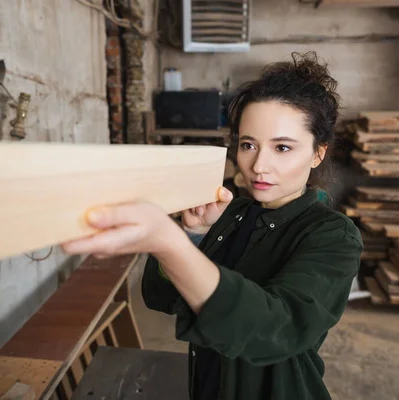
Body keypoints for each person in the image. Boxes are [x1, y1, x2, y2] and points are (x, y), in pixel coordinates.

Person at [62, 51, 363, 400]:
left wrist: (168, 241)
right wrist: (193, 235)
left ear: (317, 153)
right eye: (248, 144)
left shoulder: (332, 235)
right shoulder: (233, 213)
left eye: (282, 148)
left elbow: (274, 330)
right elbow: (160, 298)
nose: (258, 165)